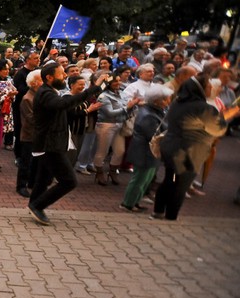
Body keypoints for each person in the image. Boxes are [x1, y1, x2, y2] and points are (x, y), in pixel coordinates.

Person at [28, 62, 105, 225]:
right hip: (50, 145)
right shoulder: (46, 94)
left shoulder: (49, 91)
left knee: (44, 178)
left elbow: (66, 109)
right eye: (61, 73)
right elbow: (63, 104)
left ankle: (34, 205)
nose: (64, 76)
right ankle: (37, 205)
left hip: (52, 143)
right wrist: (93, 88)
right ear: (49, 77)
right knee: (69, 181)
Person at [153, 76, 238, 220]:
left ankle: (158, 211)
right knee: (181, 184)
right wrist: (232, 114)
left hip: (170, 147)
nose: (211, 88)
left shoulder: (177, 102)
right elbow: (217, 128)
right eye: (208, 86)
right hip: (188, 152)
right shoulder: (202, 107)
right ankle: (171, 216)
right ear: (199, 88)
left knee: (170, 179)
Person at [120, 85, 173, 212]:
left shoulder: (155, 111)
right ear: (157, 101)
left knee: (145, 180)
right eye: (166, 99)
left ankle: (135, 202)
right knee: (139, 179)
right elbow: (153, 135)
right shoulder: (149, 115)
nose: (169, 101)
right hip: (145, 152)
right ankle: (128, 203)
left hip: (150, 152)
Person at [92, 74, 142, 186]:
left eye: (119, 81)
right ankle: (99, 172)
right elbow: (110, 113)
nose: (118, 83)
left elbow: (128, 107)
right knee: (102, 151)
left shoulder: (122, 94)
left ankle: (113, 171)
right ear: (108, 84)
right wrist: (127, 107)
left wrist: (133, 106)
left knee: (120, 151)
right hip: (106, 125)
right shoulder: (103, 96)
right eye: (115, 81)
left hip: (120, 124)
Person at [16, 70, 42, 197]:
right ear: (34, 83)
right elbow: (31, 118)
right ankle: (21, 185)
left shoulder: (39, 96)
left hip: (38, 134)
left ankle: (32, 183)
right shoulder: (27, 98)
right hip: (29, 134)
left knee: (36, 161)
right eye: (41, 80)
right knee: (26, 161)